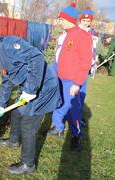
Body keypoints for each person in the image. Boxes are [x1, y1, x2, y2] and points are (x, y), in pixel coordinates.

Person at [0, 28, 62, 174]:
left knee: (28, 124)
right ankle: (14, 141)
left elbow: (36, 58)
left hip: (43, 86)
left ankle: (28, 165)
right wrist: (0, 105)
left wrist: (31, 90)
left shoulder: (9, 44)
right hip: (28, 85)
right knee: (16, 111)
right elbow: (6, 80)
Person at [47, 3, 93, 151]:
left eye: (62, 19)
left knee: (73, 109)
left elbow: (85, 62)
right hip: (59, 77)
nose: (60, 21)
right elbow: (59, 57)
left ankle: (75, 135)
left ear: (69, 19)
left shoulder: (83, 36)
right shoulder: (65, 35)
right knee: (58, 103)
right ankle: (58, 127)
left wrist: (76, 83)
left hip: (71, 81)